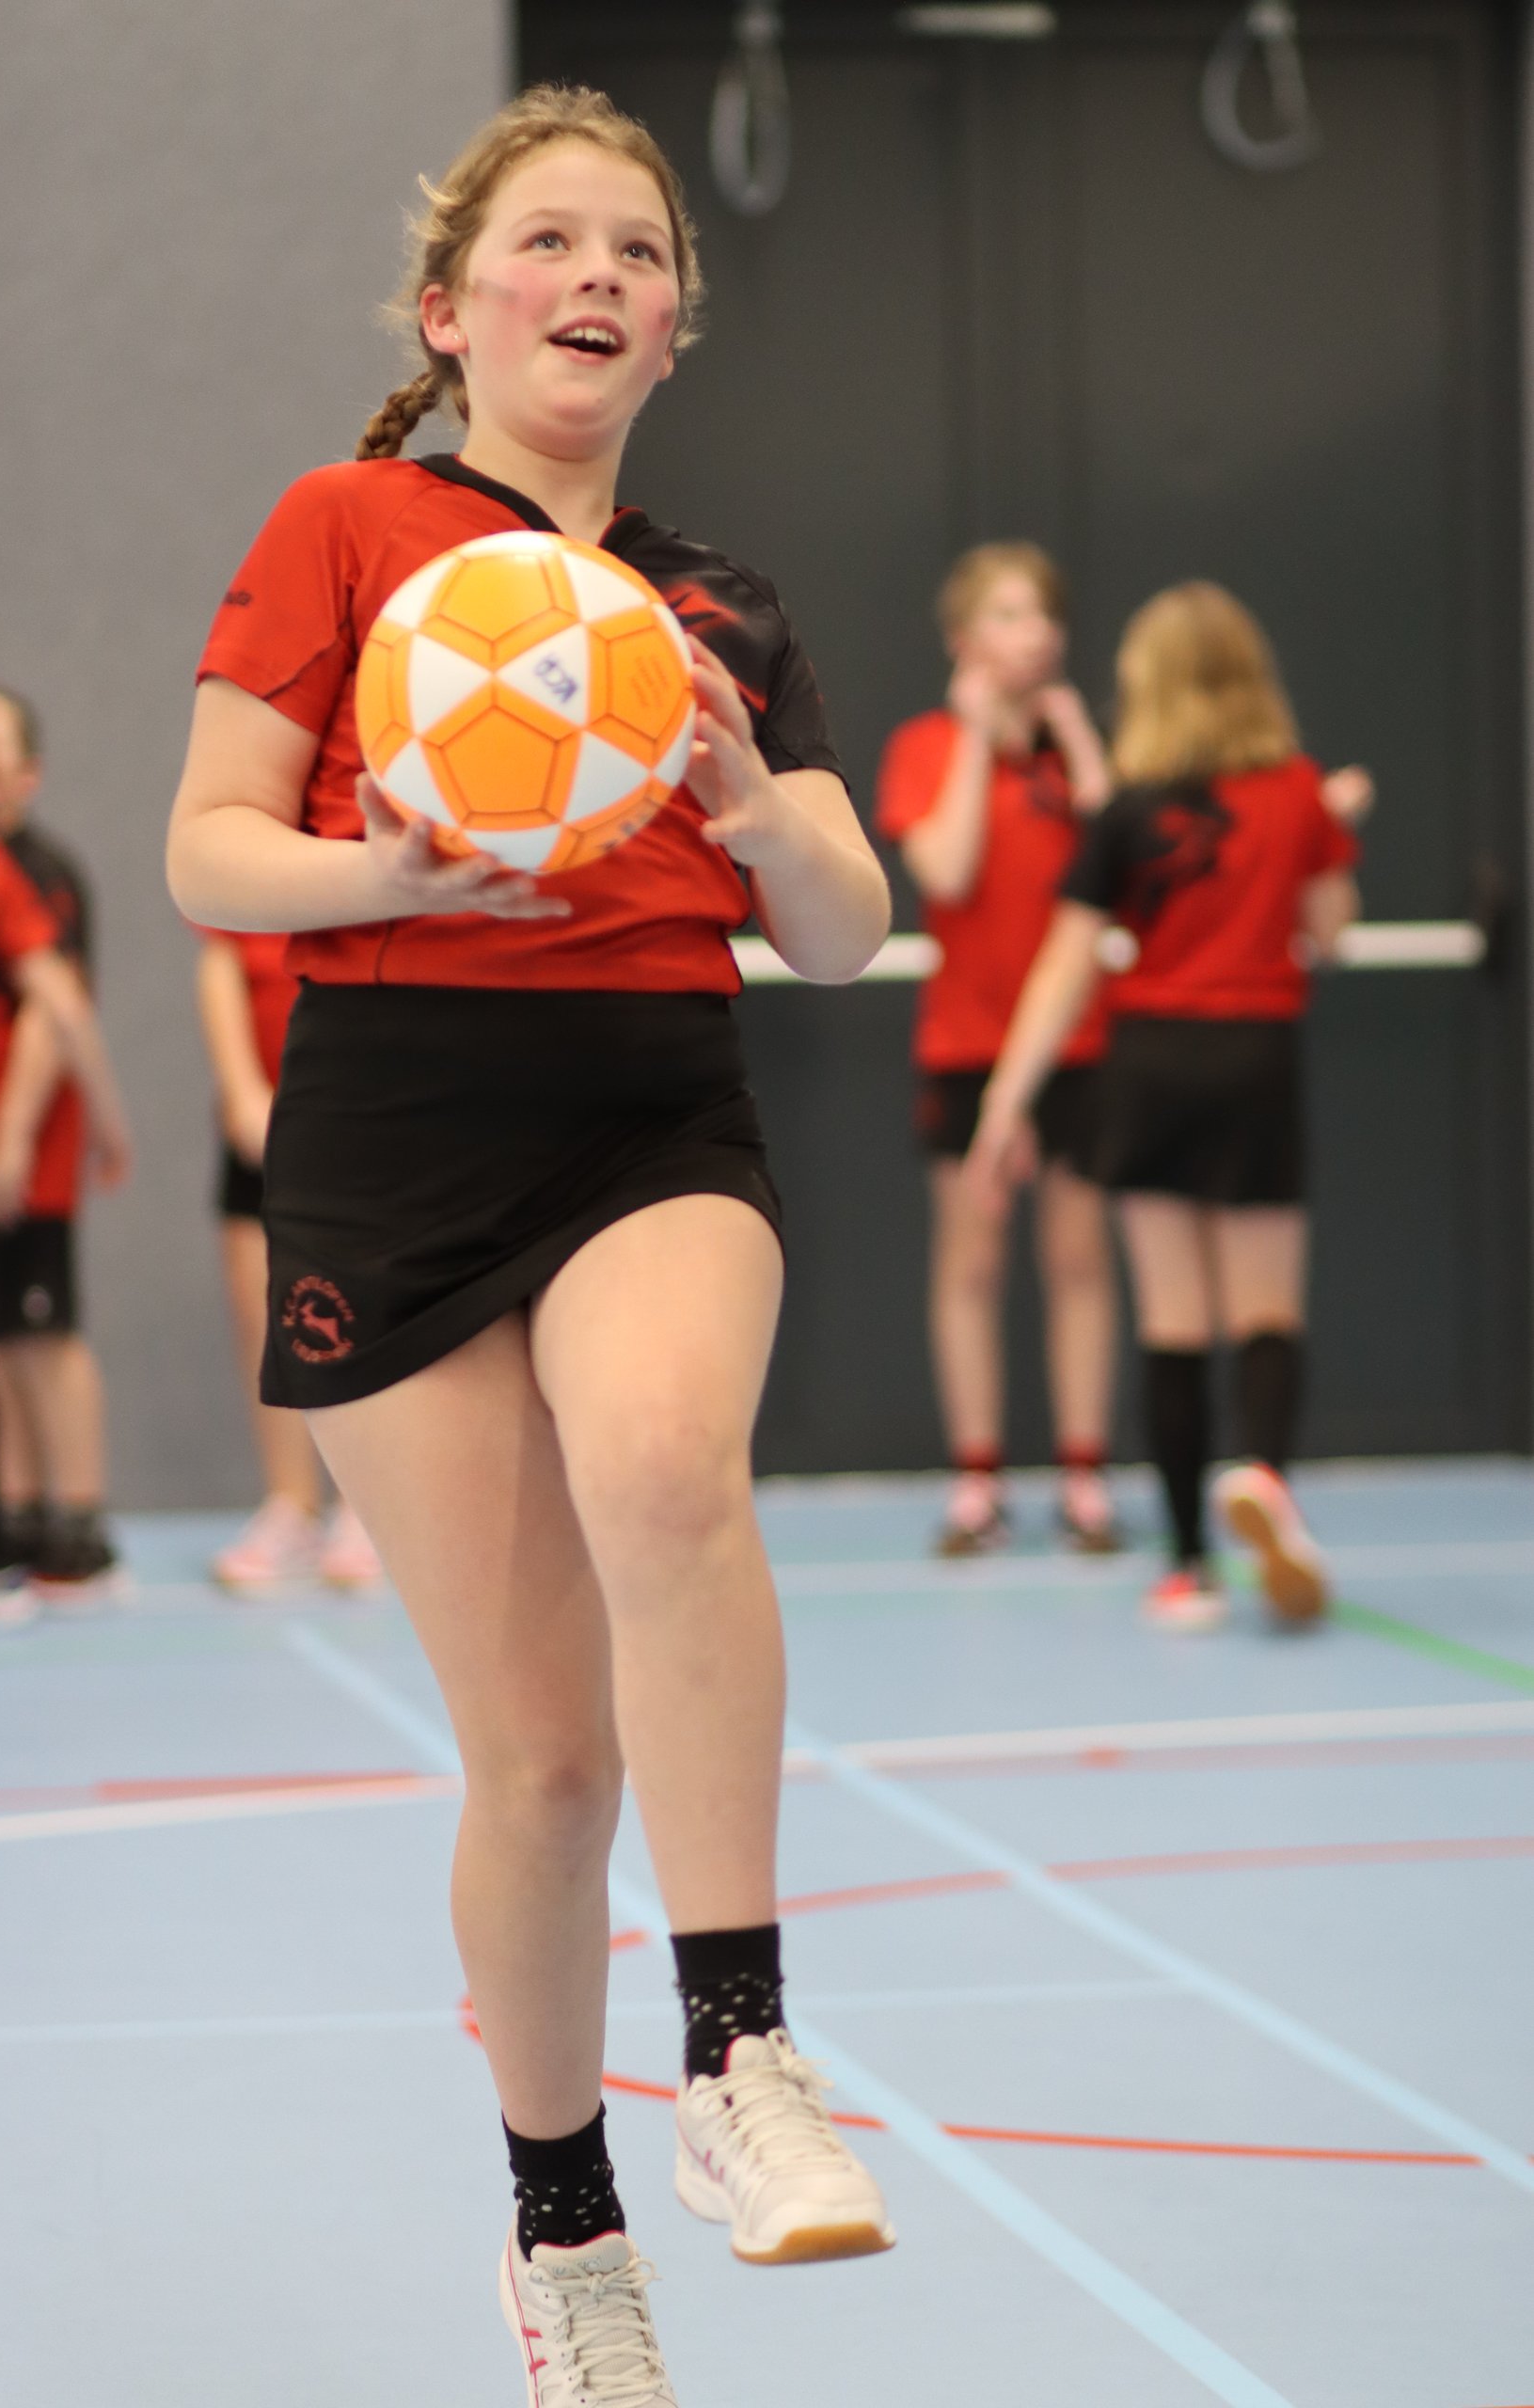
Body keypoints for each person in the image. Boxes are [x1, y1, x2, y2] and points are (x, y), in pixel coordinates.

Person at [166, 85, 895, 2405]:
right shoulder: (345, 525)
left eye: (638, 251)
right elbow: (205, 846)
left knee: (667, 1462)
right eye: (548, 240)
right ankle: (565, 2226)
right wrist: (383, 870)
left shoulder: (719, 604)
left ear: (674, 327)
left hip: (645, 1103)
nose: (596, 274)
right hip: (393, 1130)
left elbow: (845, 930)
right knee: (544, 1761)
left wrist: (751, 802)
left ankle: (743, 2050)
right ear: (447, 308)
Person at [968, 582, 1367, 1630]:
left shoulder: (1127, 808)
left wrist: (1007, 1100)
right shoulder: (1298, 791)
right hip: (1255, 1059)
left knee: (1170, 1318)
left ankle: (1189, 1565)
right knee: (1266, 1308)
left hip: (1147, 1066)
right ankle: (1263, 1474)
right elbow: (1331, 933)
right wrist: (1330, 837)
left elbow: (1065, 965)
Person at [877, 544, 1122, 1555]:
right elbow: (948, 869)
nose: (1037, 633)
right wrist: (980, 741)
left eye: (1045, 614)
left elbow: (1124, 866)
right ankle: (977, 1481)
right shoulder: (925, 745)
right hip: (966, 1044)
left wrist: (1082, 745)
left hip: (1080, 1044)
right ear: (962, 638)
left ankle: (1084, 1477)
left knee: (1078, 1257)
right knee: (972, 1259)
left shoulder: (1075, 751)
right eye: (1011, 614)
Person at [0, 670, 131, 1619]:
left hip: (12, 1151)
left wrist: (42, 1131)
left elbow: (58, 1012)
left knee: (37, 1330)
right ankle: (5, 1521)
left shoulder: (24, 871)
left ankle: (72, 1521)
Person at [195, 927, 382, 1590]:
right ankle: (290, 1504)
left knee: (361, 1310)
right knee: (262, 1314)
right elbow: (219, 963)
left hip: (361, 1111)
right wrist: (241, 1087)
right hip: (267, 1115)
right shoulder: (251, 879)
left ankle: (363, 1507)